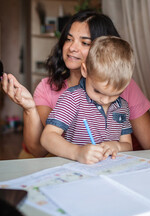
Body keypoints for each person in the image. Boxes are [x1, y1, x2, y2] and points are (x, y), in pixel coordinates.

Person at [2, 10, 150, 158]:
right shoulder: (50, 89)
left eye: (84, 43)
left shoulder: (124, 86)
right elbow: (39, 149)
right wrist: (29, 109)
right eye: (69, 39)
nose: (72, 48)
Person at [41, 36, 134, 164]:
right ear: (85, 70)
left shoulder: (122, 106)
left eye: (115, 94)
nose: (105, 100)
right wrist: (77, 152)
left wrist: (117, 146)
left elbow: (128, 145)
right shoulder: (72, 99)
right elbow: (47, 137)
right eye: (97, 91)